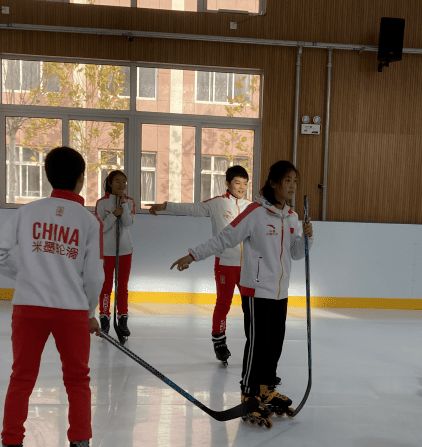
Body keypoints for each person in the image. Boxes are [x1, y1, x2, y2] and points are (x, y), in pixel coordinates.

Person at [0, 146, 103, 447]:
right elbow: (94, 276)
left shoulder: (28, 212)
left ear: (48, 175)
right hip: (71, 312)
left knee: (21, 379)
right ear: (81, 179)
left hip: (28, 309)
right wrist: (90, 311)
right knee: (78, 382)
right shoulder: (88, 221)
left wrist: (26, 274)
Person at [169, 160, 314, 429]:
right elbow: (224, 238)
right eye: (287, 181)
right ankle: (249, 394)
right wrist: (193, 255)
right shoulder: (255, 213)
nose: (292, 186)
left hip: (280, 292)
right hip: (256, 290)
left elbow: (296, 254)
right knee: (257, 345)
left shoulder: (292, 217)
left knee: (275, 343)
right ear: (273, 183)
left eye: (295, 181)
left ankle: (266, 388)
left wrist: (307, 239)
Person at [149, 165, 255, 364]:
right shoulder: (217, 203)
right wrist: (166, 206)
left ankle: (255, 343)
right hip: (225, 264)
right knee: (223, 304)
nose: (242, 187)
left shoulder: (251, 207)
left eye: (245, 183)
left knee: (250, 308)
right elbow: (192, 208)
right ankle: (219, 341)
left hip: (247, 266)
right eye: (237, 182)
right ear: (227, 183)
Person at [95, 170, 135, 339]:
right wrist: (113, 214)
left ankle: (123, 319)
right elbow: (101, 227)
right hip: (107, 252)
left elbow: (128, 222)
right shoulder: (102, 203)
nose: (121, 185)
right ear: (110, 183)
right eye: (117, 182)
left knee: (122, 286)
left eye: (124, 182)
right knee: (106, 287)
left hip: (125, 251)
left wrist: (123, 206)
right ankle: (104, 318)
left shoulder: (130, 202)